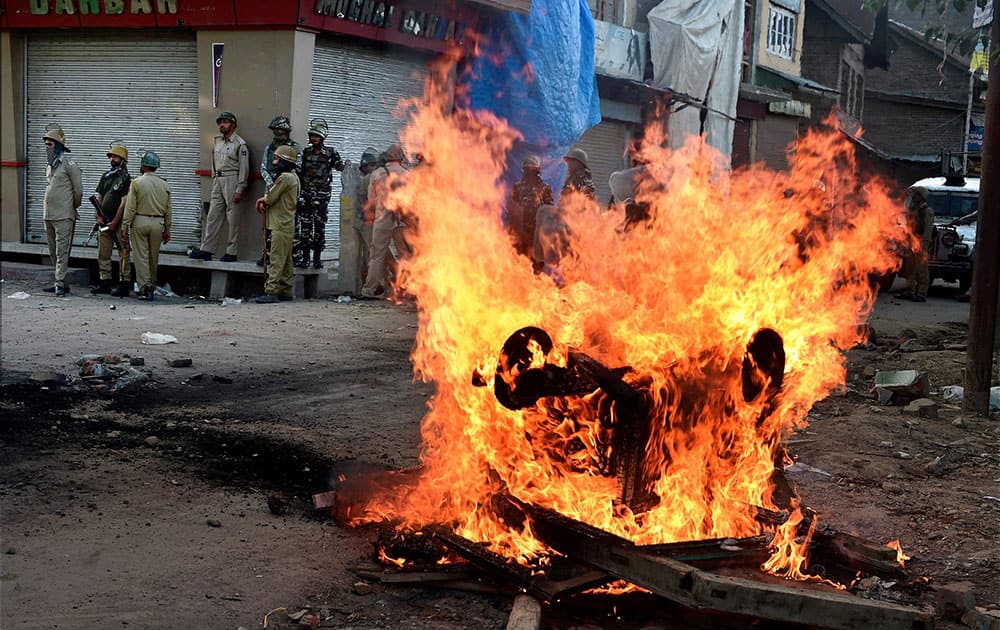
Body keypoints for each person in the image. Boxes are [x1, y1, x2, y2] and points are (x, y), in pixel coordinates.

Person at [189, 111, 249, 262]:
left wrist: (239, 188)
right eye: (221, 122)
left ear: (233, 125)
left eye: (226, 122)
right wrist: (214, 178)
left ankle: (231, 251)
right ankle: (207, 249)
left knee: (232, 218)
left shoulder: (240, 144)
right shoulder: (217, 141)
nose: (222, 125)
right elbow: (214, 162)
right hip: (218, 180)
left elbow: (244, 168)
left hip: (232, 179)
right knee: (213, 216)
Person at [294, 118, 345, 269]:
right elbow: (298, 172)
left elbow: (339, 166)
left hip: (322, 198)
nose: (313, 139)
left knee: (319, 229)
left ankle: (317, 259)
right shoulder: (305, 153)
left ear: (322, 137)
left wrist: (346, 166)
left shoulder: (330, 152)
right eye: (312, 136)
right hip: (306, 196)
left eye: (316, 136)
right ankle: (305, 259)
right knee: (305, 228)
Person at [121, 151, 172, 301]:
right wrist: (167, 229)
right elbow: (169, 210)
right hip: (158, 223)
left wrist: (125, 226)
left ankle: (145, 288)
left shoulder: (136, 183)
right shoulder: (165, 184)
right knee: (153, 256)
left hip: (140, 221)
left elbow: (130, 207)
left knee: (141, 256)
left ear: (143, 166)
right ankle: (153, 285)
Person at [254, 145, 301, 303]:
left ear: (285, 161)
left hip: (280, 224)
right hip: (287, 223)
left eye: (277, 159)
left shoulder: (286, 178)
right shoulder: (294, 177)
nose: (274, 162)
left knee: (276, 258)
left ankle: (272, 291)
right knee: (286, 260)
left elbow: (271, 196)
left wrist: (262, 200)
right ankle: (285, 289)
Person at [361, 143, 408, 298]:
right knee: (405, 255)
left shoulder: (377, 174)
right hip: (402, 220)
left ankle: (369, 289)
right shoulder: (408, 175)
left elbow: (371, 200)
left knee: (377, 256)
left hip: (382, 220)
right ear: (401, 158)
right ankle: (408, 290)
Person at [41, 124, 83, 296]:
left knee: (62, 250)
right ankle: (61, 281)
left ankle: (59, 282)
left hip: (63, 215)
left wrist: (73, 207)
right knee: (53, 250)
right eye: (46, 144)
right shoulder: (50, 166)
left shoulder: (69, 164)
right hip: (49, 214)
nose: (47, 148)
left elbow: (78, 190)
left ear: (58, 145)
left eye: (50, 144)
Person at [257, 116, 301, 267]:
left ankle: (293, 255)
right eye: (275, 130)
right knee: (270, 222)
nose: (278, 132)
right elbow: (263, 168)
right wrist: (271, 184)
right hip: (272, 187)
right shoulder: (269, 148)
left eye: (281, 130)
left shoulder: (294, 148)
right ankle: (267, 254)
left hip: (287, 188)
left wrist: (280, 183)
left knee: (290, 224)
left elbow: (298, 167)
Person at [91, 141, 133, 296]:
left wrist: (116, 221)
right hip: (104, 220)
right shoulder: (106, 176)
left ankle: (124, 283)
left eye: (116, 157)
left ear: (123, 160)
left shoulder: (126, 179)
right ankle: (105, 281)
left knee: (123, 252)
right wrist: (98, 216)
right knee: (103, 252)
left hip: (119, 222)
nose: (112, 159)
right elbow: (99, 196)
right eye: (111, 156)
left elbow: (124, 202)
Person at [507, 155, 553, 268]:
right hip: (520, 231)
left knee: (536, 264)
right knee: (519, 262)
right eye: (527, 169)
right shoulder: (517, 187)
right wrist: (512, 229)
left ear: (537, 170)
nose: (529, 171)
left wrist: (545, 233)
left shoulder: (545, 188)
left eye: (532, 169)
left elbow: (549, 212)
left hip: (537, 232)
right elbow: (511, 209)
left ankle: (538, 283)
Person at [896, 186, 934, 302]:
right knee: (910, 268)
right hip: (911, 241)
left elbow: (927, 229)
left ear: (921, 197)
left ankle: (921, 293)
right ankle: (909, 291)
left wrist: (924, 244)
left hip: (920, 241)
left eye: (916, 194)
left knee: (921, 268)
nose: (913, 196)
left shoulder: (927, 211)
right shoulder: (913, 209)